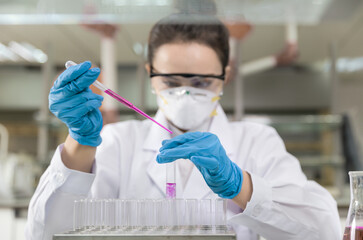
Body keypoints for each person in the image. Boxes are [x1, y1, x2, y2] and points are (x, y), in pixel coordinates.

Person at [25, 14, 341, 240]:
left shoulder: (257, 142)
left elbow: (324, 230)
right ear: (150, 72)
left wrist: (240, 186)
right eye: (171, 81)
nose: (186, 93)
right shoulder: (119, 141)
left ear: (225, 75)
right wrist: (79, 144)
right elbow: (45, 233)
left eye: (202, 82)